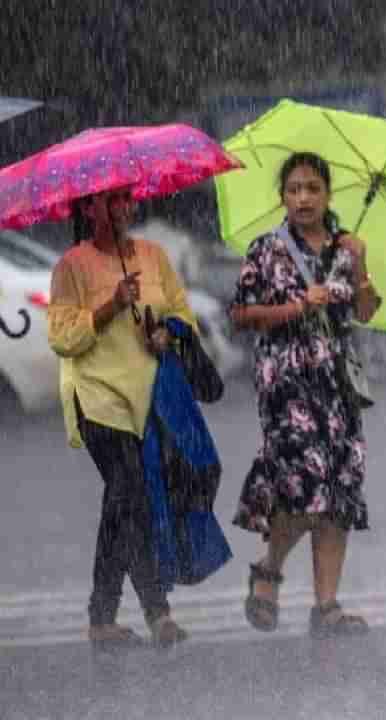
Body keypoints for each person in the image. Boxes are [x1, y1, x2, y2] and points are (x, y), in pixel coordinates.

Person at [231, 151, 382, 639]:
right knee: (301, 485)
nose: (303, 198)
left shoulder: (345, 247)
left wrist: (359, 265)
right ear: (283, 196)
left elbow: (365, 311)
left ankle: (327, 605)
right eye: (294, 189)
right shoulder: (266, 249)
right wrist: (298, 306)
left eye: (312, 188)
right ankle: (269, 569)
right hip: (286, 383)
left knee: (338, 491)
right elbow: (243, 313)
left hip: (337, 386)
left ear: (327, 194)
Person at [48, 187, 197, 651]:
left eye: (126, 199)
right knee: (129, 493)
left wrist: (165, 336)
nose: (121, 209)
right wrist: (111, 305)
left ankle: (101, 619)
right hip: (97, 400)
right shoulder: (72, 265)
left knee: (124, 503)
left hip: (147, 400)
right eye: (109, 201)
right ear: (88, 208)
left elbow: (183, 317)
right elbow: (63, 339)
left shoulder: (153, 257)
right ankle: (157, 612)